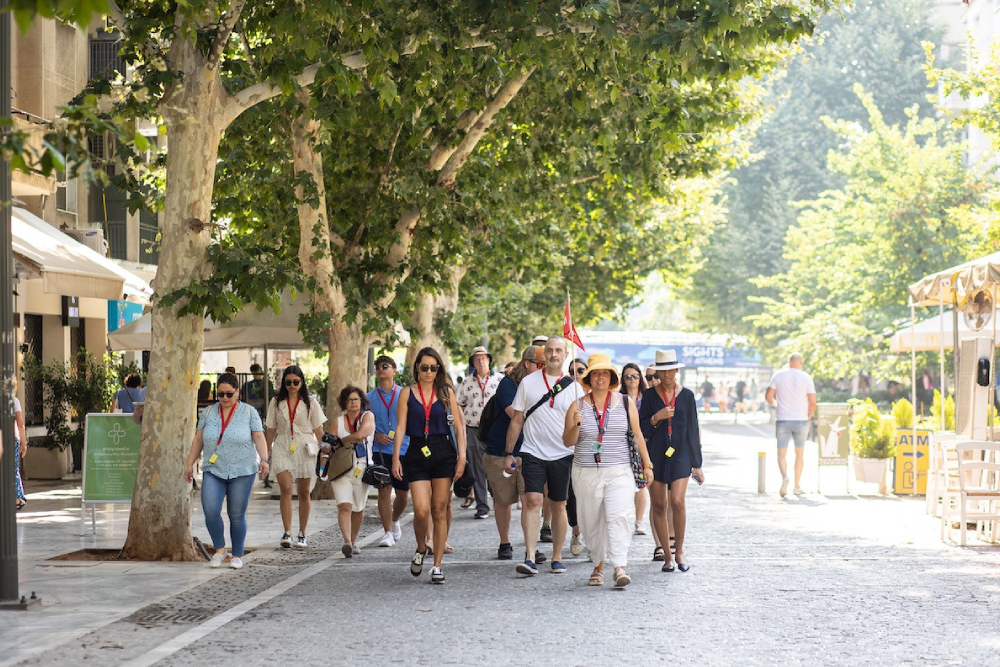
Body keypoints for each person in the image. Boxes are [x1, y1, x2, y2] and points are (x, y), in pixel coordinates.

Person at [565, 354, 653, 587]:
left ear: (612, 377)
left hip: (619, 470)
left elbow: (637, 436)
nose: (600, 377)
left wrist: (647, 464)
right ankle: (598, 564)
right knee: (592, 521)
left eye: (604, 373)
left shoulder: (625, 403)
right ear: (589, 378)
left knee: (618, 516)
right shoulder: (577, 405)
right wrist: (575, 424)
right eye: (595, 373)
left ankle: (619, 566)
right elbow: (567, 441)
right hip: (587, 472)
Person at [505, 336, 585, 576]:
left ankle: (557, 557)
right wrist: (509, 452)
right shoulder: (528, 383)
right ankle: (530, 556)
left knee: (559, 505)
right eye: (549, 350)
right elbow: (517, 419)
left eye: (558, 350)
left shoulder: (575, 386)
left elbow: (582, 425)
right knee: (533, 501)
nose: (553, 354)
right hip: (533, 451)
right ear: (543, 355)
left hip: (563, 453)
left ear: (564, 355)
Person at [392, 347, 467, 584]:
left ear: (439, 369)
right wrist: (396, 457)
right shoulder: (406, 393)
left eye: (433, 368)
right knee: (422, 510)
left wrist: (462, 457)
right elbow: (401, 427)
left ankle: (437, 565)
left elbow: (458, 427)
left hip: (443, 451)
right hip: (416, 451)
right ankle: (421, 547)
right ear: (417, 368)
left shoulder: (446, 392)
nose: (429, 372)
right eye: (424, 367)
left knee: (439, 508)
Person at [184, 372, 269, 570]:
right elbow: (198, 440)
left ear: (237, 392)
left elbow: (258, 437)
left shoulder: (249, 412)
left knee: (236, 514)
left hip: (242, 469)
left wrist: (264, 460)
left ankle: (237, 554)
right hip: (214, 468)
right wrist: (190, 463)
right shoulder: (207, 413)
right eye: (220, 394)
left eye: (229, 394)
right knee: (210, 510)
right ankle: (220, 549)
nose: (224, 399)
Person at [639, 350, 704, 573]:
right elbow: (642, 429)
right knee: (659, 504)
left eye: (671, 370)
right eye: (662, 370)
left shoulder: (686, 395)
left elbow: (693, 430)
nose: (667, 375)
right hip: (656, 452)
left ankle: (680, 551)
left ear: (677, 370)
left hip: (681, 452)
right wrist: (658, 417)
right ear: (657, 371)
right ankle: (666, 555)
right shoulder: (648, 396)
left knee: (677, 501)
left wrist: (697, 463)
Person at [484, 346, 545, 560]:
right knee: (504, 500)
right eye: (540, 364)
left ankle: (531, 547)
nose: (543, 368)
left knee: (530, 499)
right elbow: (514, 414)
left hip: (530, 451)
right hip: (501, 450)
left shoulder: (543, 384)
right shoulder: (508, 384)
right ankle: (505, 542)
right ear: (527, 363)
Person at [265, 365, 326, 549]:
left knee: (304, 492)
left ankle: (302, 533)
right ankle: (287, 531)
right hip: (283, 445)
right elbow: (270, 429)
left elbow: (319, 430)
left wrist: (325, 451)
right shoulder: (276, 402)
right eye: (288, 382)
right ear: (284, 383)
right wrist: (265, 454)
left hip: (306, 447)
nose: (292, 385)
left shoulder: (311, 403)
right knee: (285, 487)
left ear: (302, 382)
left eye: (296, 382)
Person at [326, 385, 375, 557]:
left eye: (356, 399)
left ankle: (354, 540)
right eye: (349, 400)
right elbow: (328, 446)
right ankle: (347, 542)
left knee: (358, 508)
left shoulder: (368, 417)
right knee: (344, 506)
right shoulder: (337, 422)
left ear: (361, 401)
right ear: (344, 403)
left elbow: (361, 435)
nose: (353, 403)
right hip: (341, 470)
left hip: (361, 467)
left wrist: (340, 441)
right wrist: (326, 446)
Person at [367, 355, 409, 547]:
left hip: (404, 449)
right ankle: (387, 533)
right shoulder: (368, 398)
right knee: (384, 491)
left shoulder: (405, 394)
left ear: (394, 371)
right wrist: (375, 435)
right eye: (378, 366)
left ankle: (395, 518)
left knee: (403, 494)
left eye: (385, 366)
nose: (381, 369)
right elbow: (363, 425)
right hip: (379, 450)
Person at [456, 346, 502, 519]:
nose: (481, 361)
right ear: (473, 363)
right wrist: (461, 428)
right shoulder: (467, 382)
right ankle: (482, 506)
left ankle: (499, 501)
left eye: (484, 358)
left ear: (489, 360)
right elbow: (458, 405)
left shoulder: (500, 380)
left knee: (495, 466)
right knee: (476, 469)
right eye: (477, 359)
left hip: (494, 430)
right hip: (473, 428)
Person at [765, 353, 817, 497]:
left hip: (783, 419)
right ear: (801, 363)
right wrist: (808, 417)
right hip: (801, 420)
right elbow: (813, 402)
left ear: (789, 362)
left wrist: (777, 405)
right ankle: (797, 486)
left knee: (781, 453)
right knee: (799, 453)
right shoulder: (806, 377)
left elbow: (768, 397)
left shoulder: (778, 375)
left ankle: (784, 477)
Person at [621, 362, 652, 537]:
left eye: (635, 376)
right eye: (628, 376)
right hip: (622, 445)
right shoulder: (617, 397)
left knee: (641, 485)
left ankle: (639, 521)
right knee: (623, 485)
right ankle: (622, 518)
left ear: (640, 378)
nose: (632, 380)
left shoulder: (647, 397)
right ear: (623, 379)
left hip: (643, 445)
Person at [563, 357, 589, 557]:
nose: (576, 375)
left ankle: (595, 539)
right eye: (572, 371)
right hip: (570, 453)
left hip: (595, 456)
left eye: (580, 371)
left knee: (596, 498)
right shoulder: (565, 394)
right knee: (573, 498)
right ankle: (576, 531)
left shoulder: (598, 396)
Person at [13, 390, 27, 511]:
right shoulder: (14, 401)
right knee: (13, 468)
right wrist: (23, 442)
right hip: (13, 439)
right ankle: (17, 498)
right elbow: (20, 423)